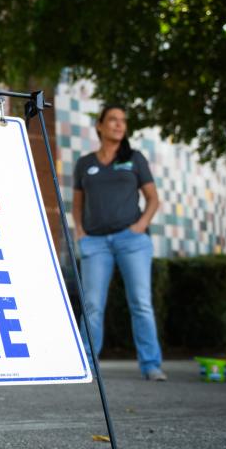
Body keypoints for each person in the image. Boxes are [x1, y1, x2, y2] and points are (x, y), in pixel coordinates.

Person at [72, 105, 166, 381]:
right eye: (112, 120)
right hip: (95, 243)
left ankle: (151, 365)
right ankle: (87, 364)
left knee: (140, 303)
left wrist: (140, 226)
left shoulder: (135, 159)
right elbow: (78, 205)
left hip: (132, 241)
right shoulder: (84, 164)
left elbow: (153, 199)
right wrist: (80, 232)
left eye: (123, 121)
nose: (118, 125)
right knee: (91, 305)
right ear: (99, 125)